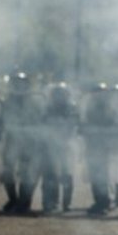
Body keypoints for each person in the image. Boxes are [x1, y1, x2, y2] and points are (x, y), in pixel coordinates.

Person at [0, 71, 44, 214]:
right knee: (8, 171)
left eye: (22, 84)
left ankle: (25, 201)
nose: (19, 87)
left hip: (29, 141)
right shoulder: (6, 102)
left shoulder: (35, 102)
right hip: (12, 139)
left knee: (28, 172)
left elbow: (40, 121)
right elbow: (1, 122)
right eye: (16, 83)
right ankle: (13, 199)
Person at [81, 82, 118, 214]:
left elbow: (114, 126)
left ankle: (106, 202)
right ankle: (98, 201)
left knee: (105, 176)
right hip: (93, 146)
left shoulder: (110, 109)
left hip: (105, 148)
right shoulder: (89, 109)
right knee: (95, 176)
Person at [40, 82, 79, 213]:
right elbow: (43, 125)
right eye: (57, 94)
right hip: (50, 145)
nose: (59, 97)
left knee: (67, 175)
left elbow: (73, 126)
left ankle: (66, 204)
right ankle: (50, 203)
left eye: (62, 94)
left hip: (67, 144)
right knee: (50, 175)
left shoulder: (72, 108)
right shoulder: (47, 108)